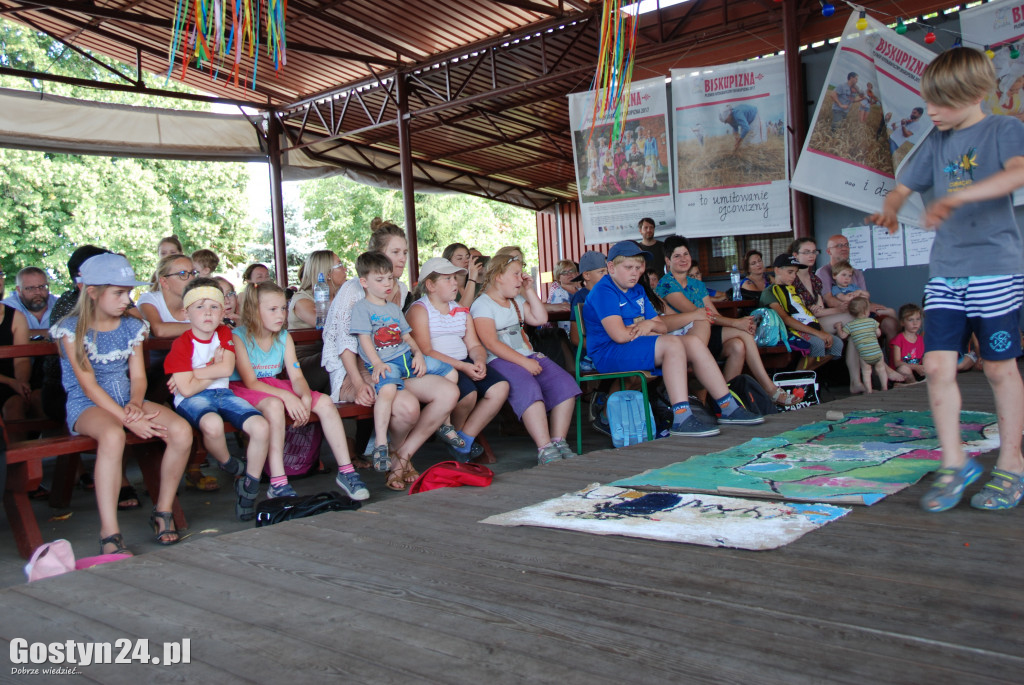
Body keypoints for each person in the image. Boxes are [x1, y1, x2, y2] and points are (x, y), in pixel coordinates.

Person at [867, 46, 1024, 512]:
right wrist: (891, 208)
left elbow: (1017, 173)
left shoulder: (1003, 129)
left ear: (976, 94)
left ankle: (1012, 464)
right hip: (946, 274)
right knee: (937, 365)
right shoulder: (934, 141)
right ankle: (956, 462)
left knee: (998, 367)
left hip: (995, 267)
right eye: (927, 100)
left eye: (942, 102)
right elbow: (901, 187)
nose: (931, 111)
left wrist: (956, 199)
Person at [51, 253, 192, 554]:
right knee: (113, 435)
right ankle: (109, 531)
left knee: (181, 430)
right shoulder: (71, 329)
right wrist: (128, 419)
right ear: (92, 292)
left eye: (128, 292)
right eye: (118, 292)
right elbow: (88, 386)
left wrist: (136, 404)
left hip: (127, 399)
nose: (125, 299)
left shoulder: (132, 326)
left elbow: (138, 376)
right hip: (88, 404)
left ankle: (163, 510)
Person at [321, 222, 460, 490]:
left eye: (405, 252)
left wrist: (417, 355)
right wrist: (359, 382)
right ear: (379, 255)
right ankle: (395, 459)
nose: (402, 259)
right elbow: (345, 344)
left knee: (448, 393)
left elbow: (398, 335)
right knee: (407, 408)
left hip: (394, 364)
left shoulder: (402, 288)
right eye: (395, 252)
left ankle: (401, 457)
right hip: (353, 367)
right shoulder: (354, 289)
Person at [584, 241, 763, 438]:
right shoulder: (604, 290)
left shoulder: (637, 289)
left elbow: (660, 326)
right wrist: (647, 327)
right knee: (673, 344)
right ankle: (682, 417)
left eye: (638, 267)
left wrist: (649, 325)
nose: (635, 273)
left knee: (693, 343)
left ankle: (728, 406)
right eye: (628, 268)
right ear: (611, 267)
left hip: (633, 345)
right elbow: (619, 335)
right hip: (609, 352)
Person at [230, 281, 369, 501]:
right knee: (275, 406)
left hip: (274, 385)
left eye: (283, 308)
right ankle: (278, 481)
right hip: (246, 388)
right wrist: (288, 397)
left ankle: (346, 470)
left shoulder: (284, 337)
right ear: (254, 311)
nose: (281, 315)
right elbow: (250, 382)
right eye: (273, 310)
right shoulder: (239, 336)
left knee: (323, 401)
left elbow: (296, 376)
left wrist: (304, 396)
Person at [164, 278, 271, 520]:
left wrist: (193, 373)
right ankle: (229, 464)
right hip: (193, 399)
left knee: (261, 426)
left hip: (223, 393)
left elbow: (226, 369)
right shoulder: (181, 344)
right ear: (186, 312)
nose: (208, 313)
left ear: (223, 311)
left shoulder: (224, 333)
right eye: (200, 307)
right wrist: (213, 366)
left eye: (214, 307)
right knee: (211, 424)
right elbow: (188, 391)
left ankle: (249, 487)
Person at [350, 251, 460, 483]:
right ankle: (382, 443)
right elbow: (364, 340)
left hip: (405, 359)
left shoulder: (392, 308)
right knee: (388, 391)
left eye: (390, 278)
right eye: (380, 280)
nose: (387, 284)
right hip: (386, 363)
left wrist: (418, 353)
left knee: (450, 372)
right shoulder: (362, 308)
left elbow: (407, 336)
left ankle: (444, 425)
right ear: (364, 282)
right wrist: (377, 363)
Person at [657, 238, 797, 407]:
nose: (683, 259)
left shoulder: (696, 284)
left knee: (738, 345)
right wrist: (736, 323)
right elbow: (696, 312)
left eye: (685, 254)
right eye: (677, 256)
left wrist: (738, 323)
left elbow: (712, 314)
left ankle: (725, 400)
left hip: (706, 332)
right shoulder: (666, 284)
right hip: (684, 338)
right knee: (740, 332)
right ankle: (767, 390)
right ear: (667, 260)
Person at [472, 247, 581, 464]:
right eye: (515, 274)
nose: (520, 278)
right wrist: (523, 361)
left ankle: (559, 441)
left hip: (526, 355)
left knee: (565, 384)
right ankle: (545, 448)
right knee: (529, 388)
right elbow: (491, 343)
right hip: (499, 360)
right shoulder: (482, 304)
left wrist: (529, 290)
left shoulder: (515, 301)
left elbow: (540, 319)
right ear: (497, 276)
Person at [408, 257, 509, 463]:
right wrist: (463, 366)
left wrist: (479, 359)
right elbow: (425, 350)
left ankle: (464, 438)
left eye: (455, 278)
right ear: (430, 285)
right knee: (468, 394)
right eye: (448, 279)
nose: (455, 283)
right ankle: (452, 434)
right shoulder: (420, 309)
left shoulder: (461, 310)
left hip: (463, 361)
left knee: (500, 388)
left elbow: (473, 344)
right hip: (438, 367)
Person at [760, 254, 844, 371]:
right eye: (790, 272)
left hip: (808, 328)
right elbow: (785, 319)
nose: (794, 276)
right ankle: (798, 382)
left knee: (837, 344)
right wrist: (818, 334)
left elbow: (806, 315)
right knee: (818, 344)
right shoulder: (770, 292)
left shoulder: (793, 290)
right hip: (788, 332)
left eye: (795, 272)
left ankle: (804, 375)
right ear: (777, 270)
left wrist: (822, 332)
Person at [816, 234, 899, 341]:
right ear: (829, 251)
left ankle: (900, 353)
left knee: (891, 322)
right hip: (840, 315)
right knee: (861, 325)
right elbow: (830, 301)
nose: (844, 248)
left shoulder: (856, 273)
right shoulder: (823, 272)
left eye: (846, 245)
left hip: (862, 309)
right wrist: (860, 306)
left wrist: (865, 305)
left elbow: (865, 297)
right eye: (839, 246)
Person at [834, 297, 888, 393]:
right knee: (881, 369)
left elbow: (842, 336)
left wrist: (838, 327)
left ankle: (869, 390)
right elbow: (878, 334)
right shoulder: (872, 322)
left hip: (864, 354)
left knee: (866, 372)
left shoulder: (850, 325)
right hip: (877, 352)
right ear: (865, 312)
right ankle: (884, 387)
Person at [137, 253, 196, 339]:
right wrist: (203, 326)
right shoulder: (149, 300)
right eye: (182, 274)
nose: (192, 279)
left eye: (193, 273)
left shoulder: (199, 301)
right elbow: (159, 330)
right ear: (164, 282)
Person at [289, 250, 347, 330]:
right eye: (339, 265)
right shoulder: (302, 300)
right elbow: (326, 324)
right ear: (327, 274)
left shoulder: (342, 294)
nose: (345, 269)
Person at [568, 251, 607, 348]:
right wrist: (600, 349)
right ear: (586, 275)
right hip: (594, 351)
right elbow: (576, 338)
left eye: (608, 271)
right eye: (601, 271)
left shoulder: (610, 294)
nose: (607, 275)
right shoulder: (580, 298)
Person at [2, 267, 58, 333]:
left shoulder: (60, 305)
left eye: (42, 287)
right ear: (19, 290)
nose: (38, 292)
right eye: (31, 288)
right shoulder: (6, 307)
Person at [890, 303, 926, 382]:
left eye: (918, 319)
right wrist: (915, 367)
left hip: (917, 372)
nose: (915, 323)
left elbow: (922, 359)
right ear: (902, 322)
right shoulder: (898, 339)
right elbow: (897, 363)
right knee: (904, 369)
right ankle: (914, 386)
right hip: (901, 373)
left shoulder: (921, 339)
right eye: (910, 320)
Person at [442, 243, 483, 308]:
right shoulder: (445, 289)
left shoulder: (477, 287)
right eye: (459, 258)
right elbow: (462, 310)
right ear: (448, 262)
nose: (466, 261)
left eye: (467, 257)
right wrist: (472, 278)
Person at [546, 259, 578, 335]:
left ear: (576, 273)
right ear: (558, 277)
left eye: (571, 270)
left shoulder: (581, 291)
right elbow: (563, 322)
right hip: (568, 333)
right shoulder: (559, 293)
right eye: (564, 272)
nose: (569, 274)